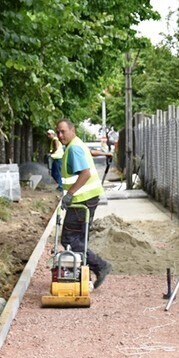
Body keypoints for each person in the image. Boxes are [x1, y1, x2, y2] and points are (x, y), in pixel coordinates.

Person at [55, 118, 113, 289]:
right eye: (58, 132)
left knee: (69, 239)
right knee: (79, 238)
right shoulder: (76, 144)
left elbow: (85, 173)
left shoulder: (74, 148)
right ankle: (82, 275)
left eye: (63, 131)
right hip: (86, 199)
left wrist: (69, 194)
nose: (60, 135)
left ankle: (99, 266)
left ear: (72, 130)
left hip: (81, 200)